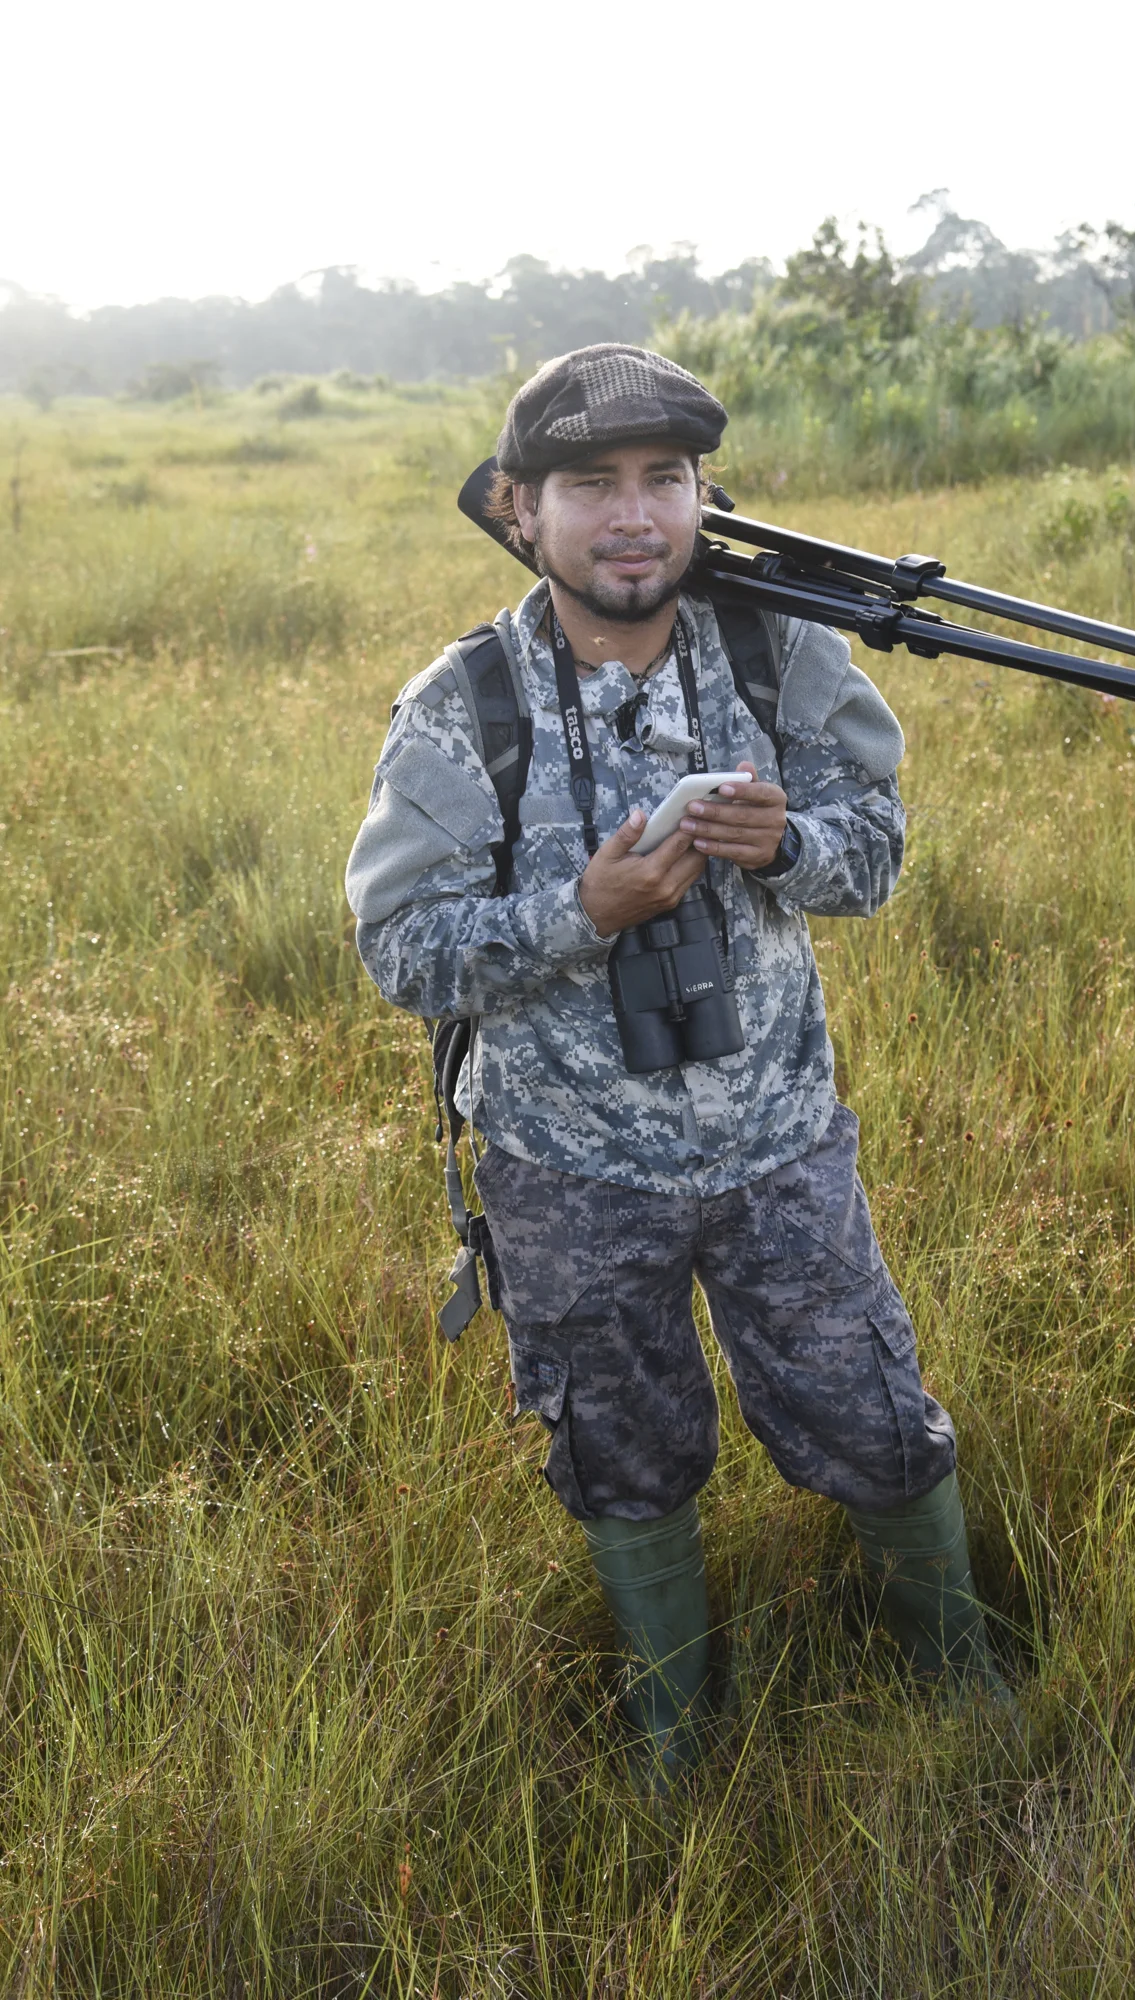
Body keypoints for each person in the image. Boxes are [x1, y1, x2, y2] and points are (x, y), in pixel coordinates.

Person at [345, 344, 1007, 1780]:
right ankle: (673, 1730)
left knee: (875, 1417)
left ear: (704, 496)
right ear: (522, 510)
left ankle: (959, 1674)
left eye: (666, 479)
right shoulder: (463, 705)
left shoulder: (781, 654)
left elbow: (877, 854)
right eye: (591, 484)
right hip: (566, 1172)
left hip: (777, 1144)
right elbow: (400, 949)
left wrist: (795, 847)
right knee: (620, 1455)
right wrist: (581, 916)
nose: (633, 514)